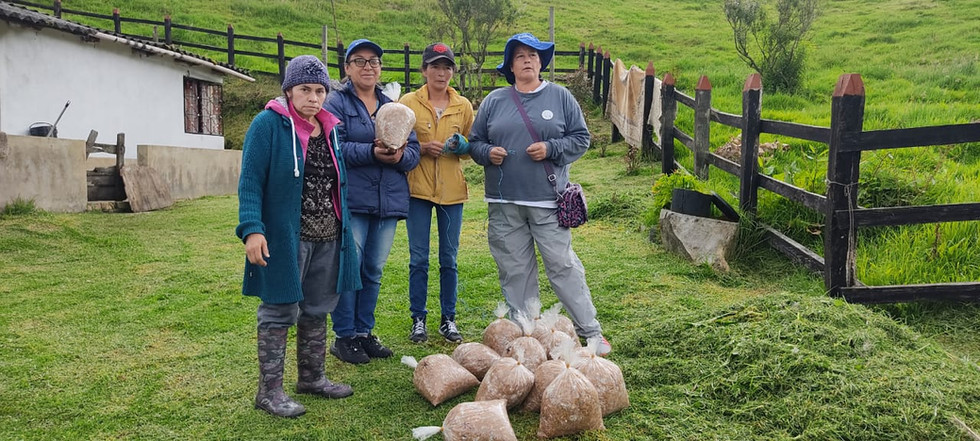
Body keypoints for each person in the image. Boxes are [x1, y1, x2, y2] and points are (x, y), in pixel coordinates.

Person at [468, 33, 612, 356]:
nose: (528, 60)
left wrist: (550, 147)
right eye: (520, 56)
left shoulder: (560, 97)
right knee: (515, 271)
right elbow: (474, 143)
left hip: (548, 202)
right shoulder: (494, 102)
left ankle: (592, 334)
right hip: (504, 203)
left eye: (533, 55)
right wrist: (488, 152)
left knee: (563, 266)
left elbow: (581, 139)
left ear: (541, 62)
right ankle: (527, 340)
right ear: (510, 66)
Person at [236, 55, 362, 418]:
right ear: (289, 90)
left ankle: (312, 377)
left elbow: (337, 184)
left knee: (317, 308)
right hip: (285, 237)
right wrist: (252, 230)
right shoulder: (267, 125)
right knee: (278, 310)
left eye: (320, 90)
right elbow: (249, 183)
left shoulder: (331, 129)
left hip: (327, 235)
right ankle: (269, 391)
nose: (314, 97)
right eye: (305, 89)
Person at [325, 39, 421, 364]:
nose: (368, 67)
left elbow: (415, 151)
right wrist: (371, 152)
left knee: (374, 269)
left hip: (389, 199)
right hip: (354, 198)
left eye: (374, 61)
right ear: (347, 68)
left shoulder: (394, 105)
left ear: (380, 68)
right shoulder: (337, 103)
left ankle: (364, 333)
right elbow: (333, 147)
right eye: (360, 61)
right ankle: (345, 336)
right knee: (350, 267)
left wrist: (399, 157)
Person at [398, 43, 475, 343]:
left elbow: (472, 147)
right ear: (424, 70)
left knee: (449, 258)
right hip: (417, 190)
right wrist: (420, 148)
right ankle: (418, 318)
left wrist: (462, 145)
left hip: (452, 192)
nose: (441, 73)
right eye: (435, 66)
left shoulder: (463, 105)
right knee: (418, 258)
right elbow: (396, 142)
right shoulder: (408, 102)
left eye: (446, 67)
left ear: (453, 72)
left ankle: (448, 319)